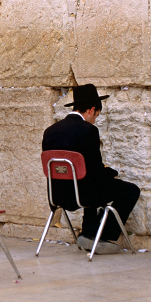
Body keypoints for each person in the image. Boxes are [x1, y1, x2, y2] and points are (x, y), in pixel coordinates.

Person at [42, 84, 140, 254]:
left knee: (91, 183)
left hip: (57, 195)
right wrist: (112, 173)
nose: (95, 120)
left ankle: (88, 232)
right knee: (130, 190)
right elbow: (95, 171)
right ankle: (102, 236)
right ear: (91, 110)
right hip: (82, 195)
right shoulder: (88, 131)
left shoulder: (50, 131)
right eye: (97, 115)